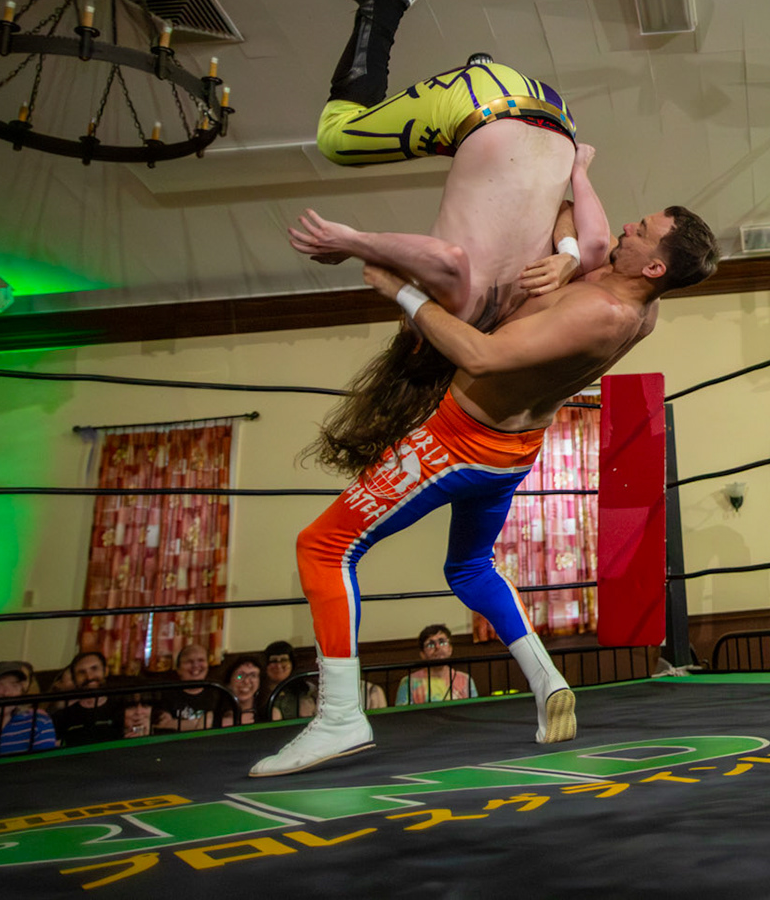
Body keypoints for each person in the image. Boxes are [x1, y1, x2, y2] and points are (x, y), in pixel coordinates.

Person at [252, 201, 719, 778]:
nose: (629, 226)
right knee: (470, 568)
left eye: (642, 231)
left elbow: (481, 355)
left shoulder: (604, 310)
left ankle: (341, 718)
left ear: (654, 267)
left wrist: (401, 290)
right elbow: (566, 205)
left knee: (323, 546)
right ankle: (547, 680)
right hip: (512, 449)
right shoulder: (637, 303)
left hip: (459, 444)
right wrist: (567, 252)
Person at [290, 0, 612, 469]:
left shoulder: (523, 310)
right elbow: (447, 257)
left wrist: (568, 256)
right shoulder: (458, 313)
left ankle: (479, 71)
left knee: (475, 167)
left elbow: (567, 214)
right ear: (418, 340)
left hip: (559, 118)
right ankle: (383, 0)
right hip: (483, 102)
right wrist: (355, 244)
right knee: (337, 138)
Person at [154, 643, 231, 732]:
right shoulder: (166, 693)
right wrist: (204, 722)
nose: (195, 665)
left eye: (201, 660)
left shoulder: (218, 691)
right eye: (189, 662)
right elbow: (162, 725)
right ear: (178, 669)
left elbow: (228, 722)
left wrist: (176, 724)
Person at [52, 651, 122, 747]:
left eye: (94, 669)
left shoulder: (121, 707)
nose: (89, 676)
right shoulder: (62, 716)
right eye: (81, 672)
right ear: (75, 679)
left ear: (105, 671)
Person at [395, 624, 477, 703]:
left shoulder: (465, 680)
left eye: (442, 642)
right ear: (422, 654)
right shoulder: (408, 683)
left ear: (450, 649)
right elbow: (403, 712)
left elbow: (475, 709)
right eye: (430, 644)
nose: (437, 647)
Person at [262, 641, 314, 720]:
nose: (278, 665)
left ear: (292, 664)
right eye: (274, 661)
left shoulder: (306, 689)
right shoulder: (258, 693)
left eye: (284, 660)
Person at [225, 656, 267, 726]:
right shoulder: (211, 718)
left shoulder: (271, 714)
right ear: (229, 682)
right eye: (240, 676)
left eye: (253, 676)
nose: (246, 681)